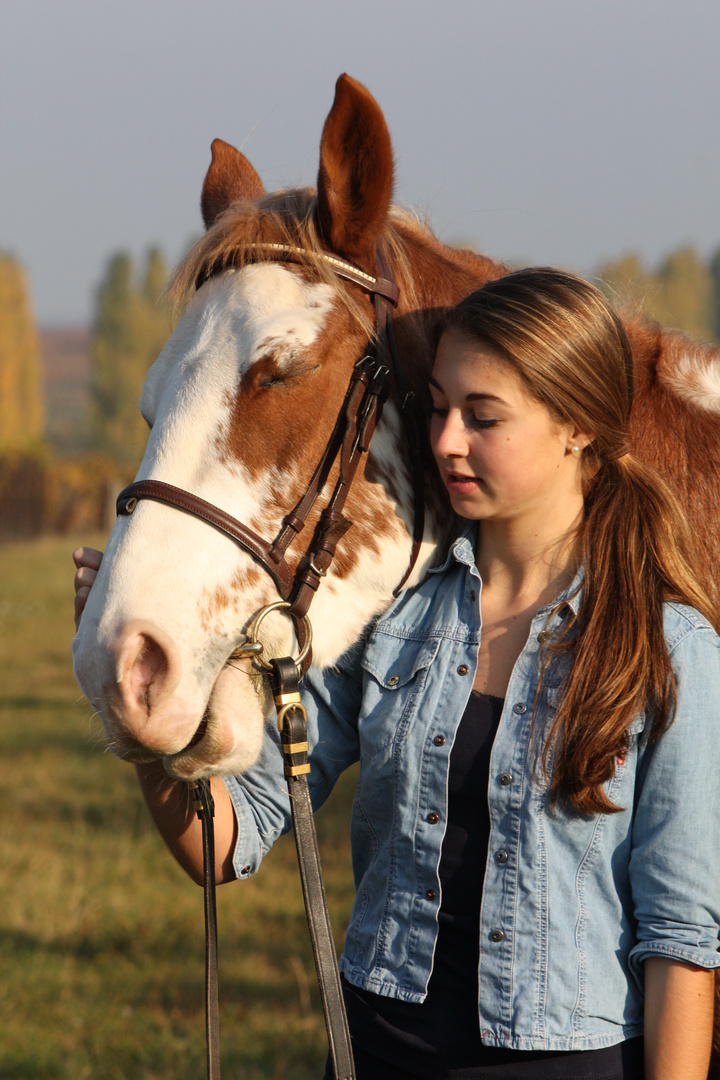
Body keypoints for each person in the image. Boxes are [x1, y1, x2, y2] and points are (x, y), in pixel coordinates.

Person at [74, 268, 720, 1080]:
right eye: (439, 409)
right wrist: (143, 715)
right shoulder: (394, 617)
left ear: (578, 427)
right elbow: (226, 838)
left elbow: (682, 943)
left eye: (483, 417)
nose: (446, 441)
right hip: (372, 1053)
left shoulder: (669, 650)